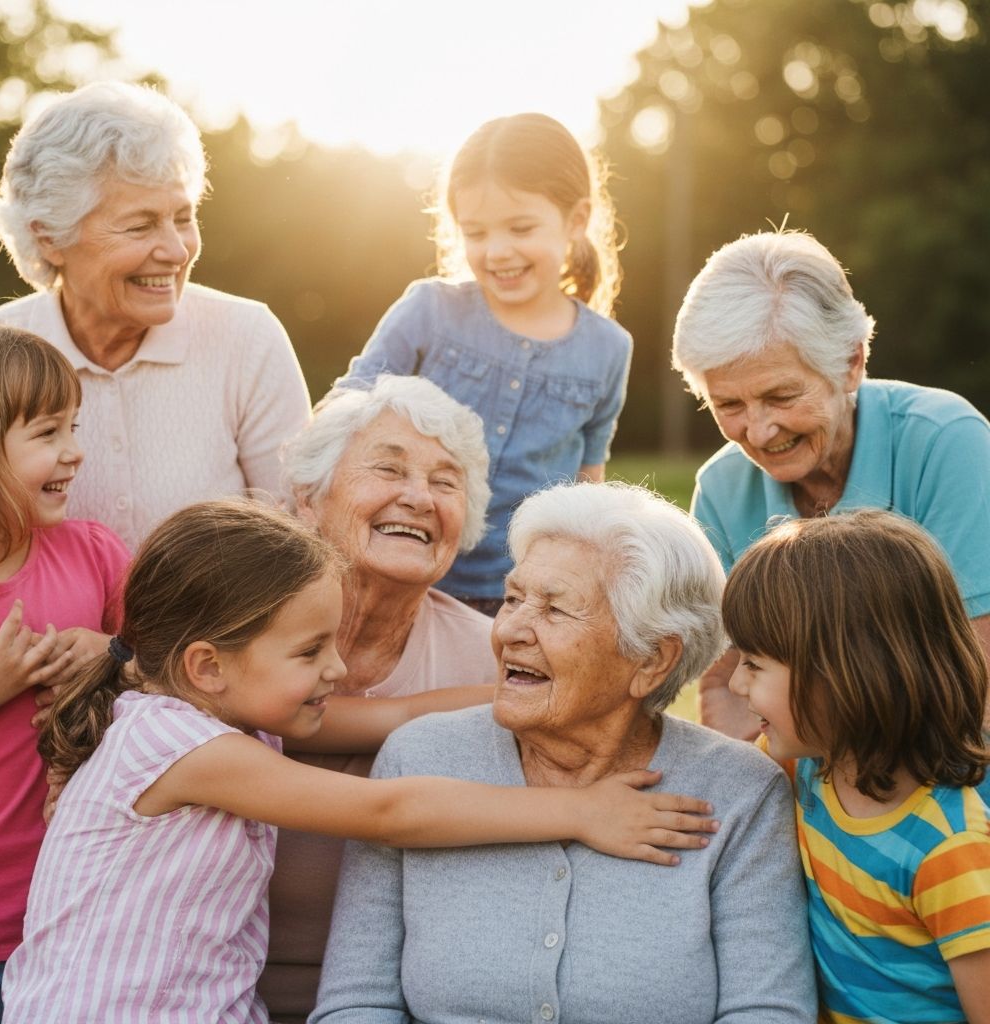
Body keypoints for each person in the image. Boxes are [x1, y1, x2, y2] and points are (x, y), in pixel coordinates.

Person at [1, 498, 717, 1024]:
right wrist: (580, 811)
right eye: (310, 651)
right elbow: (389, 810)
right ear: (207, 666)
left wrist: (559, 690)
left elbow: (399, 713)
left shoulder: (239, 718)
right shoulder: (175, 746)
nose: (338, 669)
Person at [262, 375, 714, 1020]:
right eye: (389, 468)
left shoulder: (514, 658)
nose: (419, 497)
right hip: (207, 985)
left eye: (446, 483)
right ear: (308, 498)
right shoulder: (239, 640)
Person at [311, 482, 817, 1024]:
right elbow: (355, 1003)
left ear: (652, 660)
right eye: (512, 598)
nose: (509, 631)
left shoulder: (738, 791)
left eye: (554, 610)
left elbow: (767, 1011)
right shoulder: (421, 758)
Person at [671, 229, 990, 741]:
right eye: (728, 405)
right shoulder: (723, 487)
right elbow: (726, 685)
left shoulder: (945, 442)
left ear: (851, 364)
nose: (757, 431)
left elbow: (978, 677)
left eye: (780, 395)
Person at [0, 81, 309, 551]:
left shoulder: (248, 337)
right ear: (50, 237)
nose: (177, 251)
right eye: (140, 225)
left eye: (183, 217)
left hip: (215, 626)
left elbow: (298, 540)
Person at [336, 113, 632, 613]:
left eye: (520, 227)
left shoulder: (607, 348)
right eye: (475, 232)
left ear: (576, 220)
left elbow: (588, 483)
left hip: (518, 595)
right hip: (394, 575)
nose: (497, 251)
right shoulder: (429, 311)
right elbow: (342, 413)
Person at [723, 511, 990, 1024]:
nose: (736, 684)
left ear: (843, 677)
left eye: (754, 664)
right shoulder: (806, 770)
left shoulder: (949, 851)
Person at [0, 321, 130, 1024]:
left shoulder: (92, 555)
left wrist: (111, 655)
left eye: (74, 426)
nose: (75, 451)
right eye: (47, 433)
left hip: (75, 912)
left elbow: (178, 669)